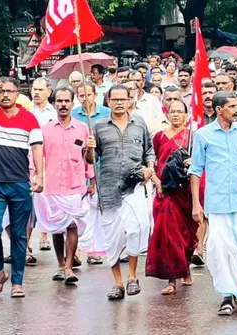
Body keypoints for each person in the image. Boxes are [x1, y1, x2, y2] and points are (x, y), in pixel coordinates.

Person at [189, 91, 237, 315]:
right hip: (216, 201)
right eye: (231, 106)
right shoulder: (203, 135)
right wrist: (196, 204)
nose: (236, 110)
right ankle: (228, 295)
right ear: (219, 110)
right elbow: (195, 171)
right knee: (221, 249)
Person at [85, 84, 156, 300]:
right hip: (108, 189)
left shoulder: (139, 124)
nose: (118, 103)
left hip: (134, 185)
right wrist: (90, 147)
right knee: (113, 238)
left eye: (122, 99)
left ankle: (133, 276)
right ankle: (117, 282)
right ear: (107, 101)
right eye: (114, 99)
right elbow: (91, 159)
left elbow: (149, 151)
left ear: (129, 101)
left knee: (137, 228)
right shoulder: (98, 126)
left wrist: (150, 168)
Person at [0, 77, 45, 298]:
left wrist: (39, 176)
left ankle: (17, 282)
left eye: (10, 91)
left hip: (19, 183)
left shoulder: (29, 119)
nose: (5, 94)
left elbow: (37, 149)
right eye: (1, 91)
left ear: (18, 94)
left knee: (19, 235)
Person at [33, 87, 94, 285]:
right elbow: (36, 157)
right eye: (59, 101)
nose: (63, 105)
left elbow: (89, 160)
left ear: (73, 103)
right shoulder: (45, 129)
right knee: (57, 227)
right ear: (54, 104)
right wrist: (36, 178)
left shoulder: (83, 128)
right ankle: (60, 265)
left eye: (67, 101)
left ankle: (69, 267)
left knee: (72, 225)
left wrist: (91, 180)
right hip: (52, 185)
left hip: (75, 185)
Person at [145, 100, 197, 295]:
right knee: (167, 233)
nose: (176, 115)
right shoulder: (159, 136)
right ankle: (172, 278)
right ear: (167, 114)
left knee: (187, 233)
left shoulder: (192, 137)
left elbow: (198, 166)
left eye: (180, 112)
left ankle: (186, 267)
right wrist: (157, 182)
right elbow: (154, 161)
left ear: (186, 115)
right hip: (164, 191)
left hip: (184, 191)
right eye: (172, 112)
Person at [72, 84, 111, 265]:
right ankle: (78, 250)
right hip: (80, 169)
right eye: (81, 95)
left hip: (105, 167)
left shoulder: (106, 113)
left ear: (95, 95)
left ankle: (95, 249)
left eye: (88, 94)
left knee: (100, 212)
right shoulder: (73, 115)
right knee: (83, 212)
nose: (85, 98)